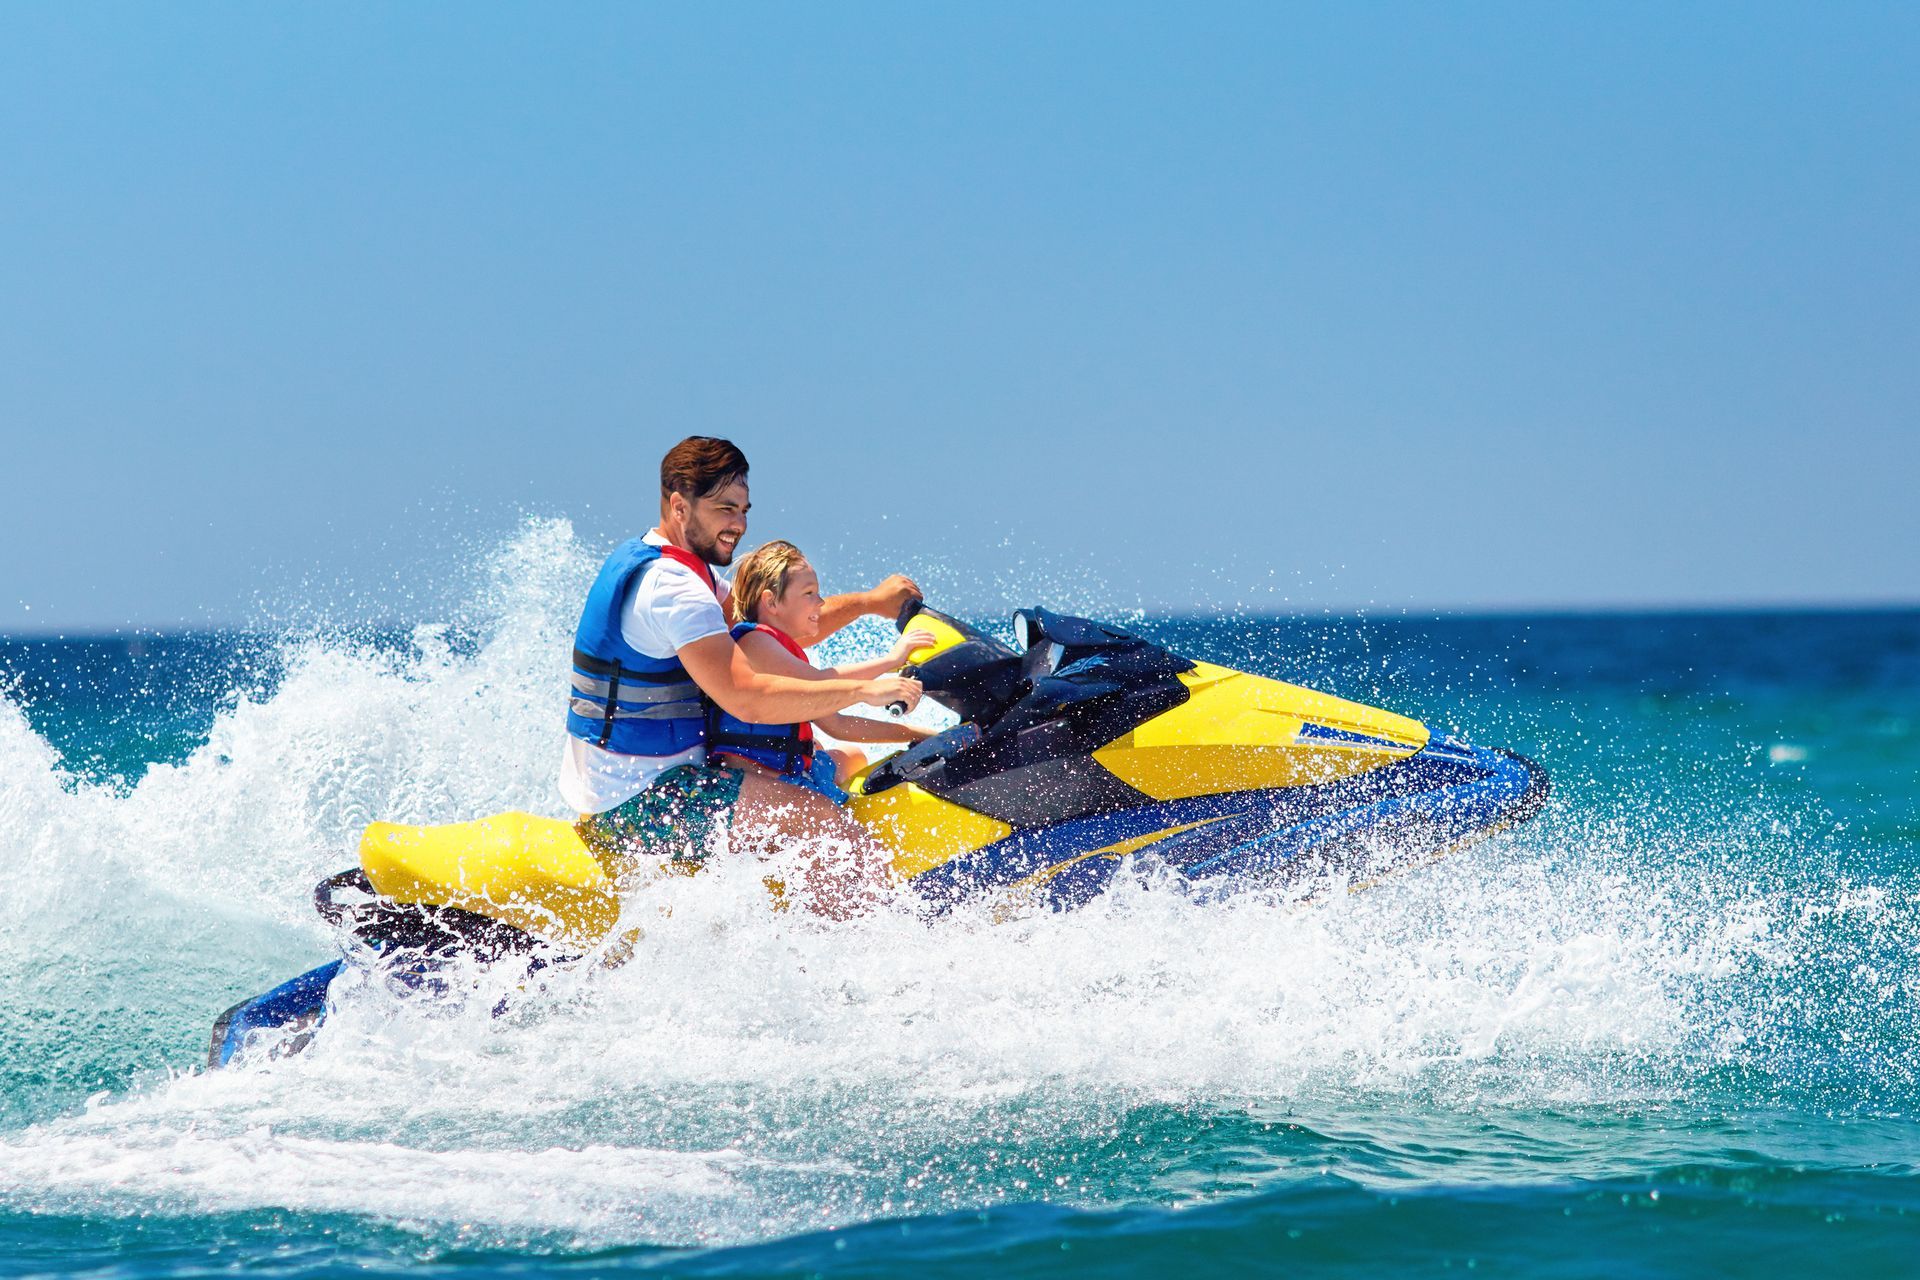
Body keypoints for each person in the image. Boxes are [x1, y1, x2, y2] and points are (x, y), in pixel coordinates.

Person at [560, 437, 922, 916]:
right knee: (821, 821)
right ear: (680, 507)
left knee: (838, 760)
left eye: (744, 510)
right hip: (638, 803)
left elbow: (775, 628)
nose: (740, 525)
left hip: (641, 781)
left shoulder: (682, 570)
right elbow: (747, 696)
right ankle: (868, 945)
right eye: (725, 509)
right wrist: (865, 690)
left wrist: (871, 602)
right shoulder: (673, 590)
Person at [709, 539, 939, 803]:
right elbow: (821, 682)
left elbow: (839, 725)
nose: (820, 602)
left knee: (853, 756)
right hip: (767, 784)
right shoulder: (755, 642)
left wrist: (917, 735)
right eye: (809, 593)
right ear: (771, 602)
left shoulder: (779, 649)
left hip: (794, 768)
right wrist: (889, 662)